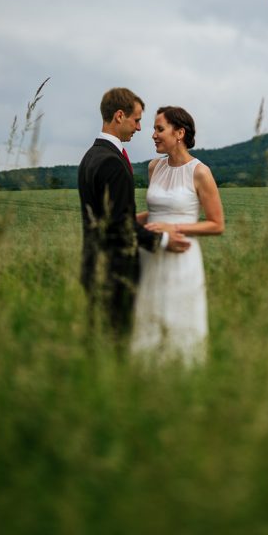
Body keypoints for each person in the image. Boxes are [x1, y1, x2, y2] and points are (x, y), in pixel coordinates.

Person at [78, 87, 190, 342]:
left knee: (99, 343)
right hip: (115, 271)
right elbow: (118, 226)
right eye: (136, 120)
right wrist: (163, 240)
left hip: (93, 265)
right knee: (118, 343)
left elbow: (106, 216)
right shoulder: (111, 162)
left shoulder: (90, 157)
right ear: (119, 116)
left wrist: (140, 217)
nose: (139, 128)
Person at [131, 105, 225, 364]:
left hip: (182, 256)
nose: (153, 134)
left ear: (179, 133)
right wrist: (123, 220)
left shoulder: (200, 172)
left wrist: (174, 228)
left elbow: (217, 224)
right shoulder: (154, 168)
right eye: (154, 129)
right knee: (149, 320)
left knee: (180, 323)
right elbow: (156, 212)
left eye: (159, 129)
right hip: (151, 254)